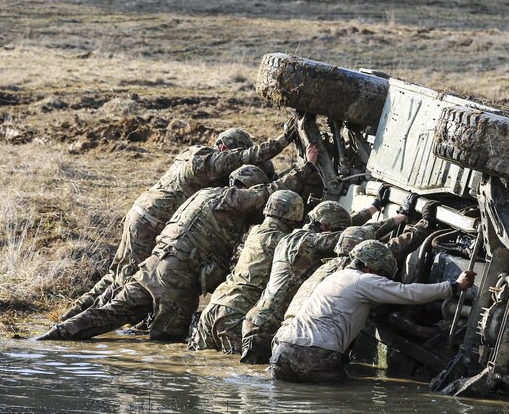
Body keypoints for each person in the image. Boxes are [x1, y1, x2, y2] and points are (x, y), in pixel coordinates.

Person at [33, 145, 320, 342]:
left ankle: (52, 336)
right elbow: (272, 191)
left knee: (109, 314)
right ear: (246, 188)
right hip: (177, 280)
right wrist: (307, 167)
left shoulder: (204, 194)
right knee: (169, 341)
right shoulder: (229, 199)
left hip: (152, 267)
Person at [61, 121, 298, 320]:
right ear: (225, 148)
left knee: (116, 274)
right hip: (151, 223)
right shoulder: (206, 162)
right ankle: (87, 319)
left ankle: (71, 314)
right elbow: (247, 157)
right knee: (126, 281)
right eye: (232, 155)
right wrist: (283, 140)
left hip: (142, 214)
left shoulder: (190, 153)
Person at [270, 239, 475, 383]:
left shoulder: (335, 277)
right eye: (382, 275)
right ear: (372, 268)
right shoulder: (364, 280)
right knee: (337, 406)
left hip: (283, 352)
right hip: (317, 356)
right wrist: (453, 286)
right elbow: (408, 293)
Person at [238, 198, 389, 363]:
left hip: (256, 318)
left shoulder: (290, 238)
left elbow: (345, 230)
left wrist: (373, 208)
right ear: (325, 227)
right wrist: (393, 221)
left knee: (257, 376)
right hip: (269, 324)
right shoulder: (309, 242)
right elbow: (349, 237)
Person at [187, 190, 305, 353]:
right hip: (236, 312)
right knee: (236, 369)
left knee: (201, 363)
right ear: (295, 214)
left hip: (214, 306)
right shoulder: (283, 241)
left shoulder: (253, 232)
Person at [280, 207, 434, 323]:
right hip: (311, 335)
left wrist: (395, 219)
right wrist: (425, 223)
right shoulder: (352, 273)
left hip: (290, 326)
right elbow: (398, 245)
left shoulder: (327, 266)